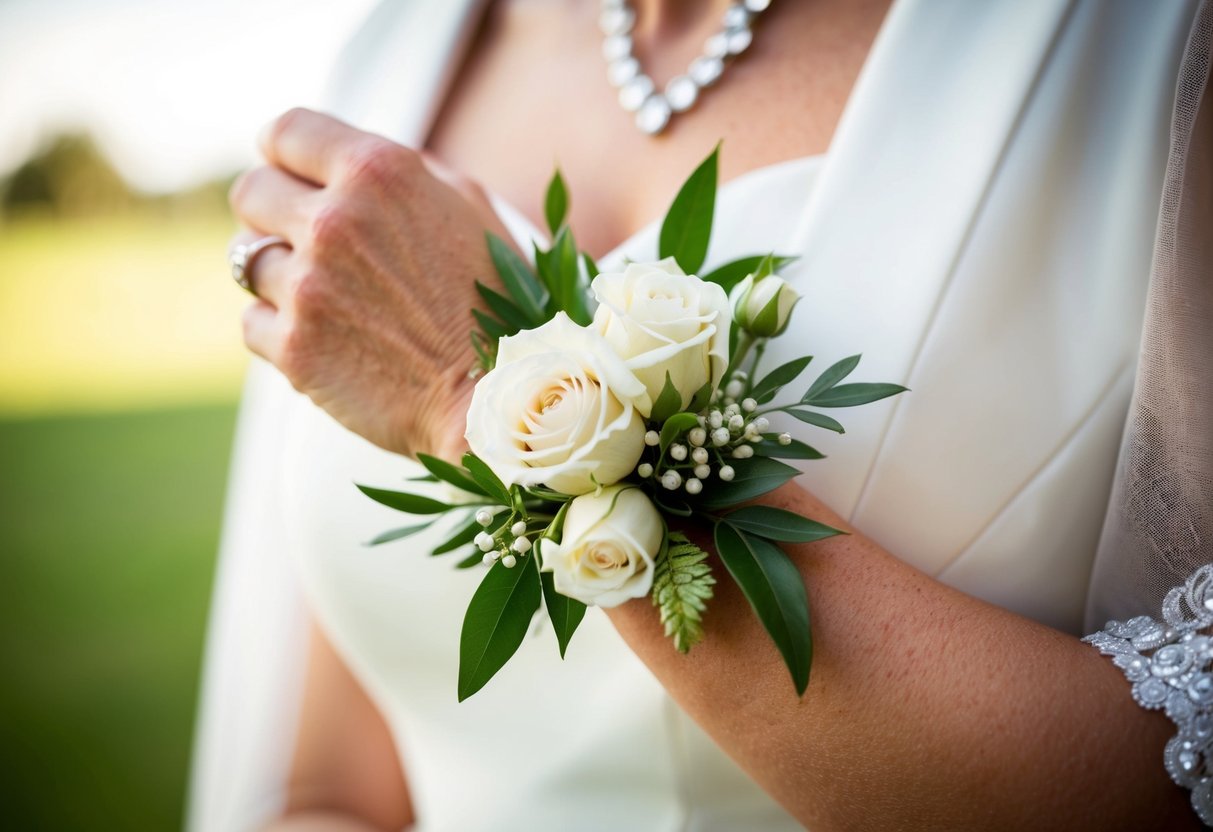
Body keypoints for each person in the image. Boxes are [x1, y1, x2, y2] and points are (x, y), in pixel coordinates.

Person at [191, 1, 1213, 829]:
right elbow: (334, 788)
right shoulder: (400, 56)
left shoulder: (1151, 37)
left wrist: (475, 390)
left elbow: (1169, 788)